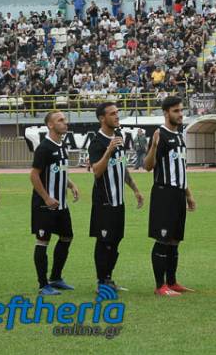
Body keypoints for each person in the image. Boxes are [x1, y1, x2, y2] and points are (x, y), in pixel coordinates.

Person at [88, 102, 144, 294]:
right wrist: (108, 151)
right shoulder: (97, 142)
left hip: (118, 201)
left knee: (115, 240)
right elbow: (96, 171)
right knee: (104, 241)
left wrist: (135, 189)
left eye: (117, 113)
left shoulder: (118, 137)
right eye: (112, 114)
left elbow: (122, 167)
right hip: (104, 201)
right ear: (102, 118)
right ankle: (101, 282)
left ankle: (109, 278)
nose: (116, 116)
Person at [144, 96, 196, 296]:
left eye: (181, 110)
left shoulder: (179, 135)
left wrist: (188, 195)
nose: (180, 114)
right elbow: (148, 167)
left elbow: (181, 169)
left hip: (178, 195)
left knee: (175, 240)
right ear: (166, 113)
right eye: (176, 111)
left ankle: (172, 282)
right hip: (163, 193)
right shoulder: (161, 135)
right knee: (163, 239)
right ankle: (160, 286)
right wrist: (154, 147)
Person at [30, 111, 79, 295]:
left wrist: (70, 184)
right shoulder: (44, 148)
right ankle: (43, 285)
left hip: (61, 204)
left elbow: (59, 171)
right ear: (50, 125)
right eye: (60, 120)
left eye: (65, 120)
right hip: (45, 205)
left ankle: (56, 277)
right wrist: (46, 198)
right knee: (43, 241)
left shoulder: (62, 145)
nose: (64, 123)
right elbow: (34, 175)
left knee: (67, 237)